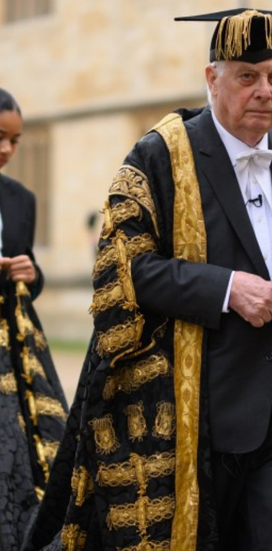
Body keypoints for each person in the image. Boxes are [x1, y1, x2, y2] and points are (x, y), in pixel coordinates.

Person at [27, 10, 272, 551]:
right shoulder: (158, 153)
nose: (265, 92)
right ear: (212, 78)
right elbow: (127, 269)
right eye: (247, 77)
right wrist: (228, 289)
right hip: (193, 412)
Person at [0, 88, 67, 549]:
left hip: (17, 349)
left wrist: (31, 272)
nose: (7, 150)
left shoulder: (22, 199)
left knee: (29, 454)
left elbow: (31, 281)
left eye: (16, 141)